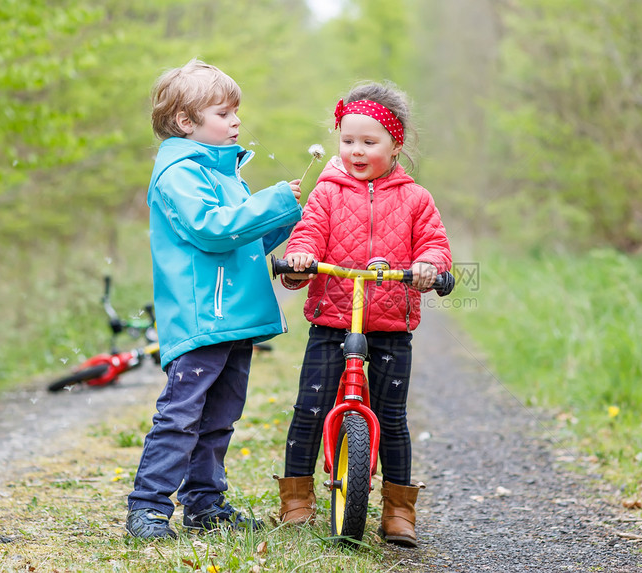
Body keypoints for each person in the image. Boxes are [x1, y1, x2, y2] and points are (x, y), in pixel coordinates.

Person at [125, 59, 303, 540]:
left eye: (236, 112)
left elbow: (241, 245)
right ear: (186, 122)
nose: (236, 122)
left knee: (220, 418)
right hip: (203, 316)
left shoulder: (223, 173)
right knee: (181, 416)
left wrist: (284, 220)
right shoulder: (180, 174)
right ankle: (148, 507)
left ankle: (205, 504)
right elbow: (213, 230)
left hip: (233, 316)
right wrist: (273, 202)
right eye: (224, 113)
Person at [275, 80, 452, 547]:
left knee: (391, 416)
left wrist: (429, 267)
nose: (356, 151)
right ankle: (296, 499)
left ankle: (398, 510)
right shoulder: (327, 193)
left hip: (392, 323)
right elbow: (308, 234)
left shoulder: (416, 198)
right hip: (333, 319)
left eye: (369, 142)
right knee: (311, 407)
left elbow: (434, 244)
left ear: (395, 145)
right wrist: (300, 260)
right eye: (347, 140)